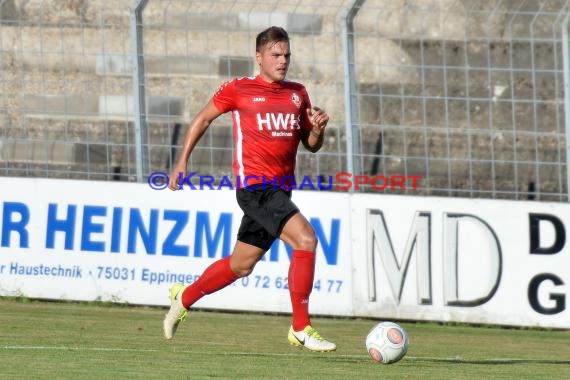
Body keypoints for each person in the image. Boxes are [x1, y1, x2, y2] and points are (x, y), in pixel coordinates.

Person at [163, 26, 335, 352]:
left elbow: (311, 146)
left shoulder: (298, 93)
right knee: (306, 239)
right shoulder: (239, 89)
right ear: (259, 57)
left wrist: (317, 130)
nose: (283, 60)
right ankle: (300, 327)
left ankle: (182, 298)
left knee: (241, 265)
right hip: (255, 188)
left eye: (286, 54)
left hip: (280, 192)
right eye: (276, 55)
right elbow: (202, 119)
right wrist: (181, 161)